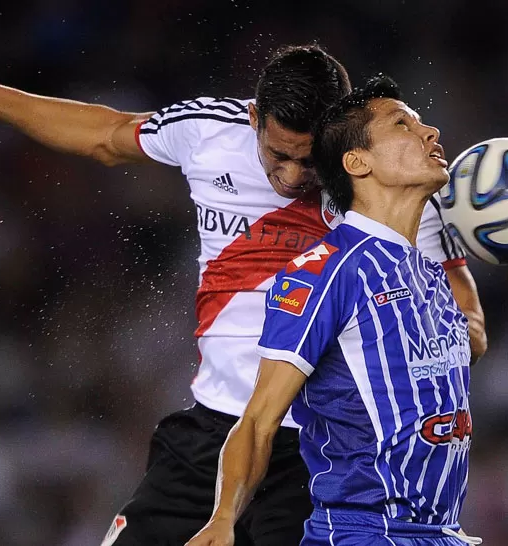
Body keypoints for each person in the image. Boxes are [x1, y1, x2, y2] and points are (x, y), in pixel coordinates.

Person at [0, 46, 487, 545]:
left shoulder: (394, 193)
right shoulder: (208, 132)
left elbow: (469, 329)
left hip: (320, 456)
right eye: (275, 154)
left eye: (307, 161)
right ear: (255, 119)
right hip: (214, 433)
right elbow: (103, 134)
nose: (288, 175)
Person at [187, 75, 482, 546]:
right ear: (357, 161)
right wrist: (223, 518)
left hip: (440, 533)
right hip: (362, 533)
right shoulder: (323, 273)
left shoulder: (430, 277)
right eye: (404, 125)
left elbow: (462, 358)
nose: (431, 134)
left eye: (423, 124)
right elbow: (259, 421)